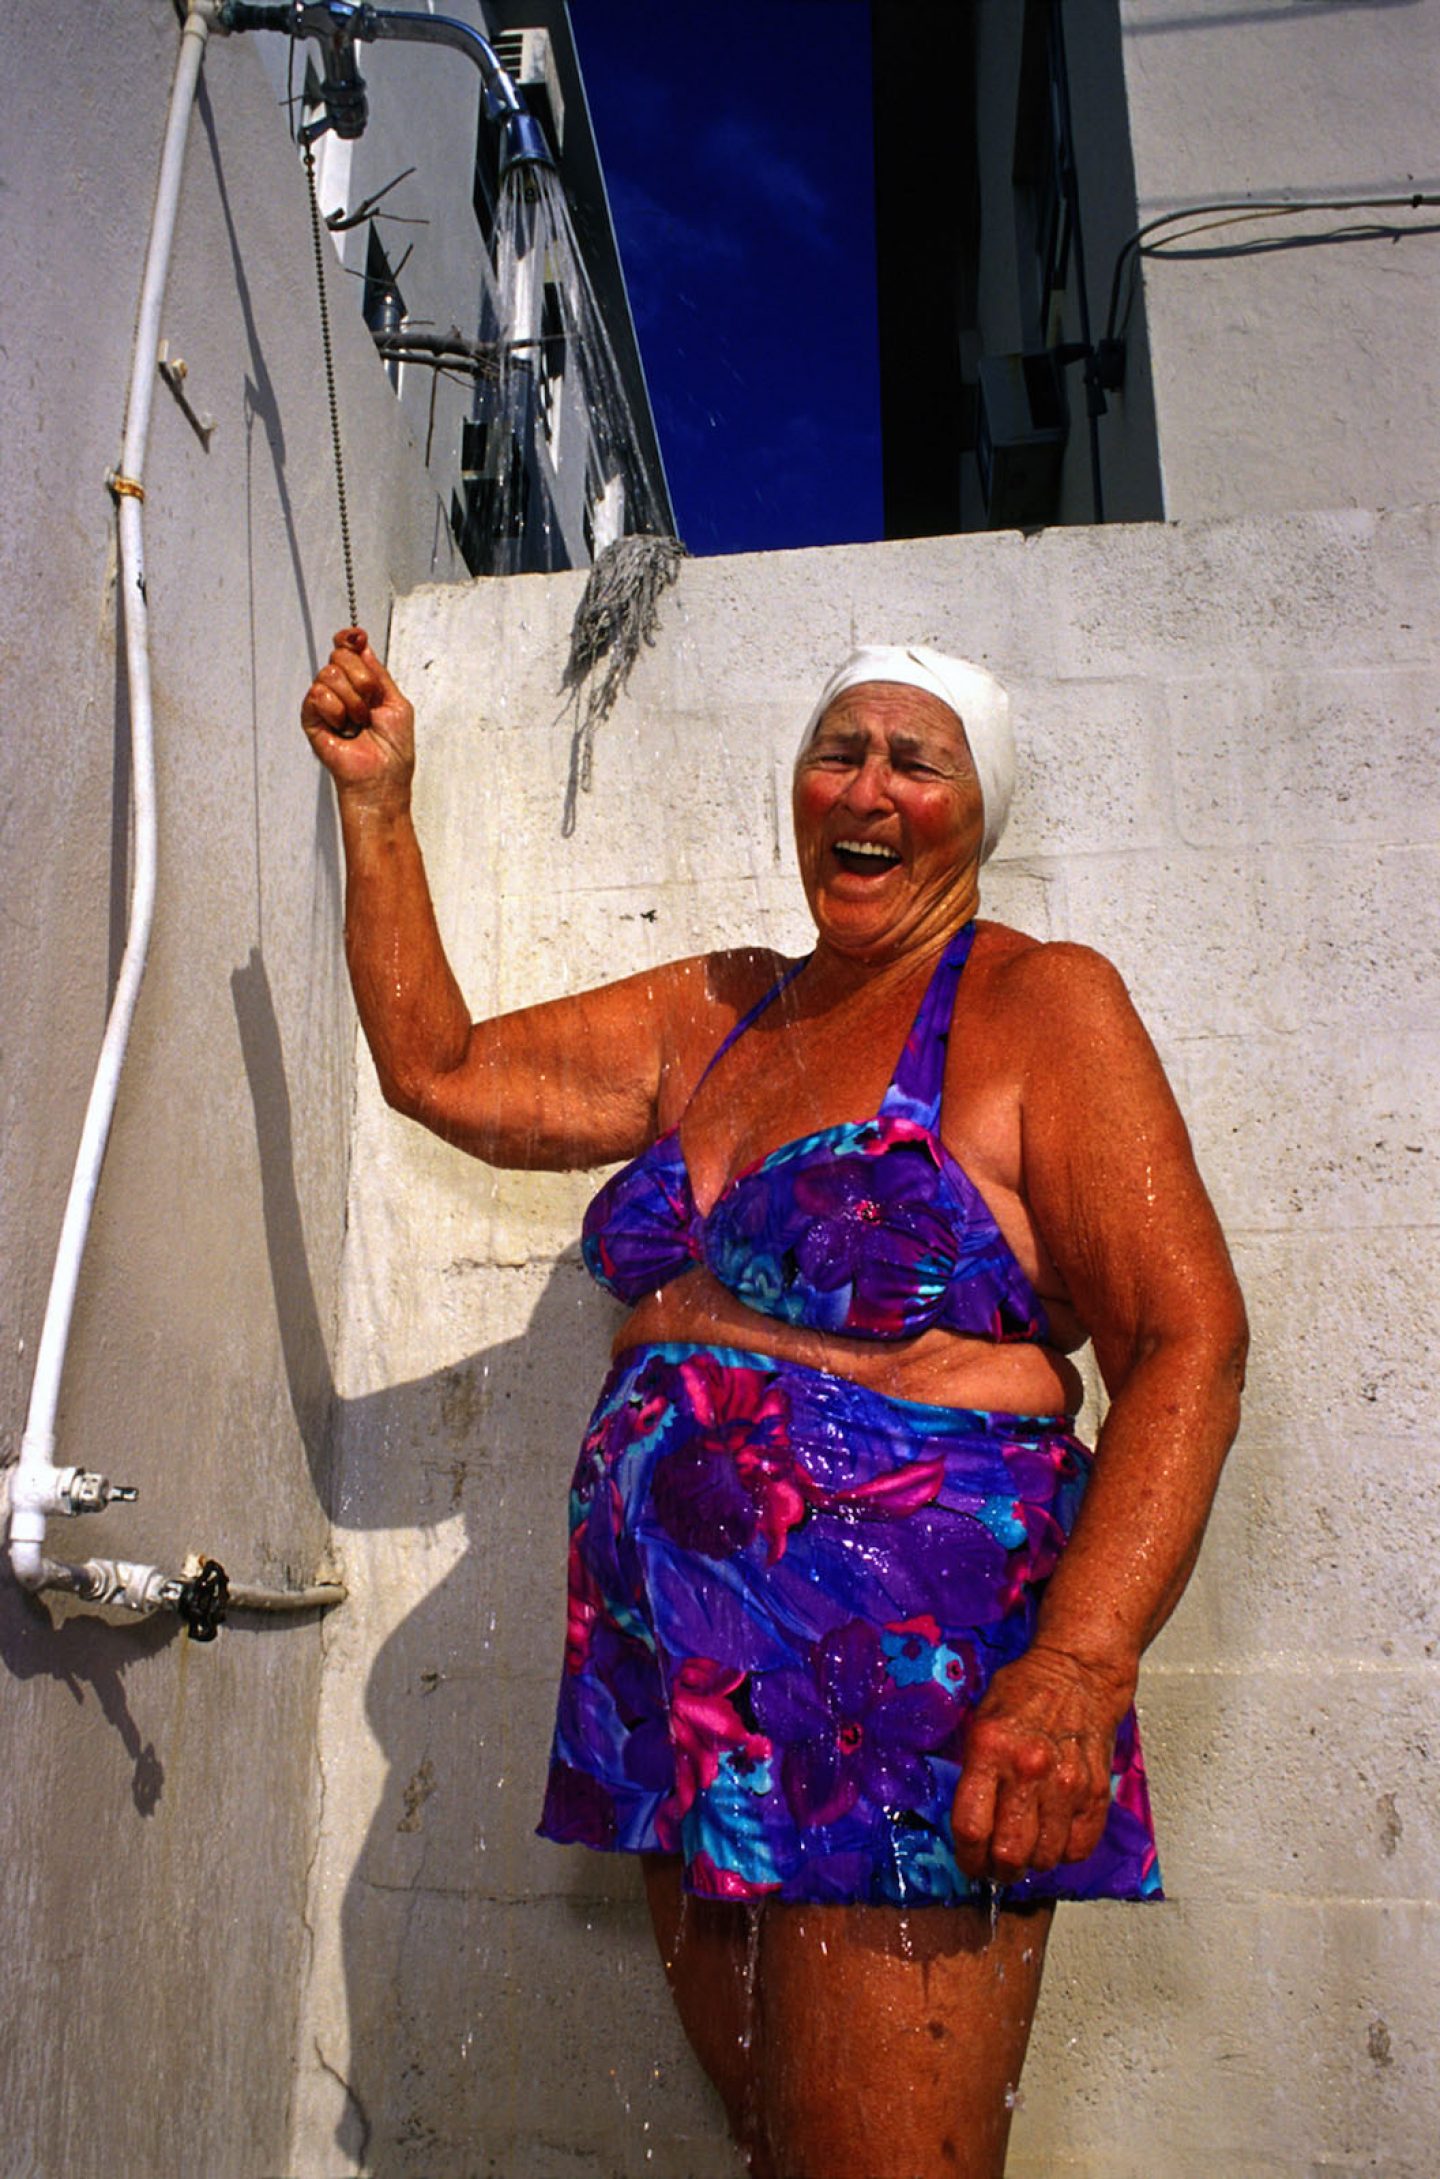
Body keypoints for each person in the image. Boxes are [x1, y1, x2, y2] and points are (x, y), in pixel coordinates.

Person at [301, 629, 1247, 2179]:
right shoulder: (723, 1013)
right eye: (838, 751)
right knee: (788, 2157)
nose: (866, 786)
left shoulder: (1039, 1008)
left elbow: (1189, 1343)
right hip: (687, 1697)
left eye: (913, 760)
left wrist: (1081, 1665)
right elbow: (444, 1070)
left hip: (905, 1699)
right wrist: (380, 807)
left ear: (977, 811)